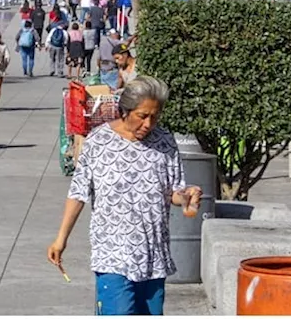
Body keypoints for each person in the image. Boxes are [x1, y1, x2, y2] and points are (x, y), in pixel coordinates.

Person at [47, 76, 202, 316]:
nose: (149, 123)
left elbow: (173, 191)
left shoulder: (165, 141)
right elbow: (78, 193)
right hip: (113, 256)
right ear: (124, 110)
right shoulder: (99, 142)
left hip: (153, 257)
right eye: (142, 116)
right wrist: (61, 239)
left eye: (155, 116)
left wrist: (186, 197)